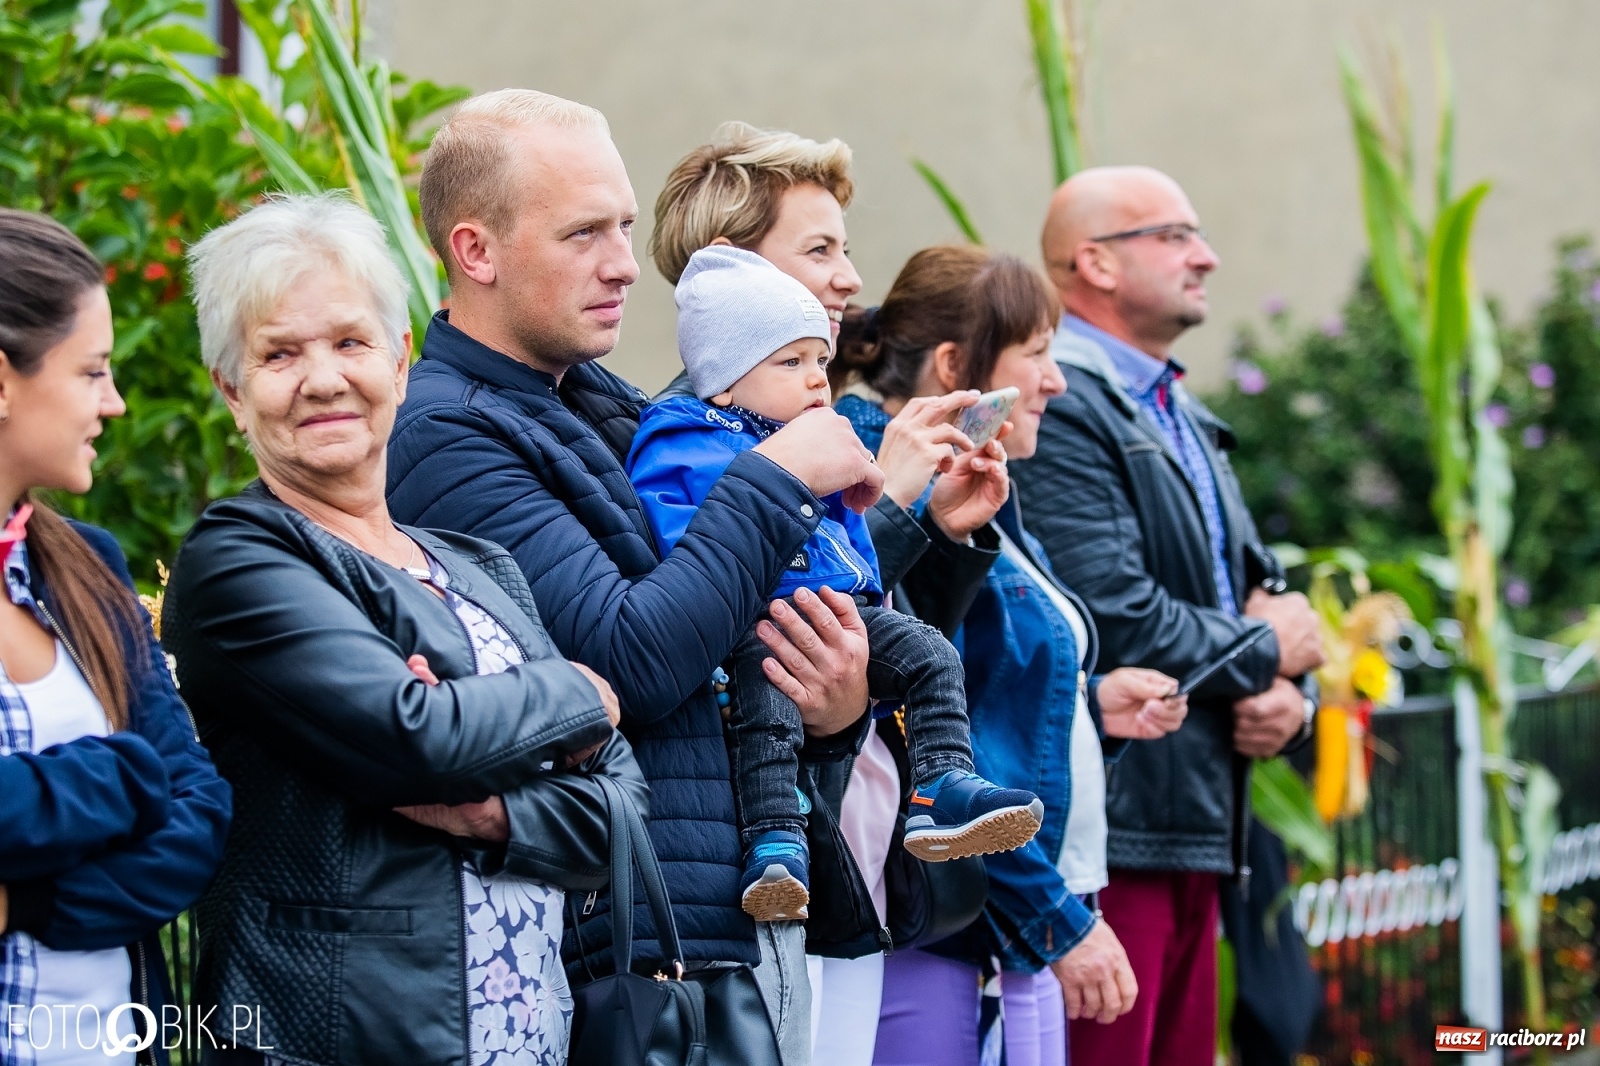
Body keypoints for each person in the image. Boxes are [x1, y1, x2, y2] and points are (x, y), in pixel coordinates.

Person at [386, 91, 883, 1066]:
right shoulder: (446, 431)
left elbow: (737, 636)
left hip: (710, 925)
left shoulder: (612, 406)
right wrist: (776, 476)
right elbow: (631, 660)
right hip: (614, 957)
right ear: (475, 251)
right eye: (582, 233)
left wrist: (837, 706)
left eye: (621, 224)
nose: (623, 261)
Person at [164, 193, 644, 1066]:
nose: (322, 379)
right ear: (233, 393)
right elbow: (413, 740)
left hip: (528, 1040)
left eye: (350, 342)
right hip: (341, 1038)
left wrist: (491, 808)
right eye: (279, 354)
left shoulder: (480, 567)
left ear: (400, 358)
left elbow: (620, 811)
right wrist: (582, 692)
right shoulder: (245, 558)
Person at [647, 122, 1012, 1066]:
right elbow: (735, 612)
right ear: (729, 271)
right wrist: (893, 503)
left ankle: (947, 793)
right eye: (819, 250)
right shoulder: (694, 438)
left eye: (844, 248)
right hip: (790, 840)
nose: (852, 279)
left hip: (866, 835)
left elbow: (891, 627)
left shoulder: (831, 421)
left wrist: (941, 530)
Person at [827, 245, 1187, 1066]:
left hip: (993, 908)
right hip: (951, 918)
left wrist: (1096, 708)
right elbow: (933, 736)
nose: (1055, 381)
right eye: (1037, 354)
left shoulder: (978, 480)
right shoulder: (891, 484)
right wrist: (1051, 919)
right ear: (957, 366)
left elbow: (989, 693)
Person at [1011, 165, 1325, 1066]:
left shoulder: (1178, 407)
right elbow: (1116, 615)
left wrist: (1292, 696)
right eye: (1176, 235)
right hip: (1125, 824)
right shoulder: (1066, 406)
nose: (1207, 257)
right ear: (1096, 264)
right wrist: (1267, 652)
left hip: (1195, 812)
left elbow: (1261, 593)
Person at [627, 245, 1043, 921]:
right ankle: (774, 846)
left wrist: (865, 558)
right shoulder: (685, 434)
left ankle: (941, 785)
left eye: (820, 360)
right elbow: (677, 533)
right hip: (757, 619)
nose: (818, 380)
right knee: (768, 711)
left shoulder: (822, 435)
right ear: (725, 381)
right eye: (790, 363)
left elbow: (852, 537)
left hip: (838, 611)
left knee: (932, 654)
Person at [0, 207, 231, 1065]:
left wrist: (22, 906)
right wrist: (116, 773)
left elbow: (196, 812)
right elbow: (149, 778)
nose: (115, 401)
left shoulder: (85, 567)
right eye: (92, 371)